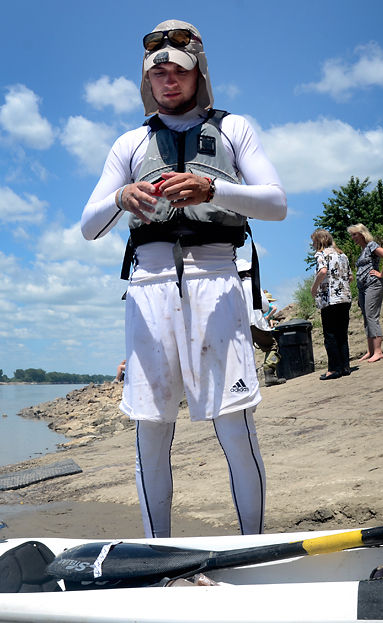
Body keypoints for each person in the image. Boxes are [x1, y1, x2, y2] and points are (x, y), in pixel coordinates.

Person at [79, 19, 287, 538]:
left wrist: (211, 188)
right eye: (159, 72)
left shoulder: (235, 129)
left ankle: (253, 547)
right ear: (147, 79)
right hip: (148, 288)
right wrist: (122, 196)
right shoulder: (128, 144)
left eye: (179, 71)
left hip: (217, 280)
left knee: (235, 427)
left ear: (199, 73)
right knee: (151, 431)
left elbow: (277, 203)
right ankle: (157, 553)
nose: (169, 80)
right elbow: (88, 226)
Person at [310, 229, 352, 380]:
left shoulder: (321, 255)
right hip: (345, 297)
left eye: (313, 241)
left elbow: (322, 271)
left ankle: (334, 369)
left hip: (330, 299)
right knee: (342, 333)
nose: (312, 244)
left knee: (330, 334)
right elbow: (350, 276)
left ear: (318, 241)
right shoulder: (342, 255)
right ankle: (345, 366)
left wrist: (314, 288)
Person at [347, 223, 383, 363]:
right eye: (352, 235)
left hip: (373, 284)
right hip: (363, 287)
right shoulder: (363, 250)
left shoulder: (371, 245)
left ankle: (378, 351)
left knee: (372, 316)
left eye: (355, 234)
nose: (353, 237)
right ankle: (371, 350)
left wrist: (381, 273)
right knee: (367, 317)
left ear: (362, 233)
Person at [238, 259, 284, 387]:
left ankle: (246, 381)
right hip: (256, 322)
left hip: (241, 325)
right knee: (272, 347)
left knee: (245, 352)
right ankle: (269, 374)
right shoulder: (254, 285)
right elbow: (264, 306)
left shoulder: (235, 286)